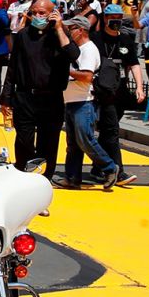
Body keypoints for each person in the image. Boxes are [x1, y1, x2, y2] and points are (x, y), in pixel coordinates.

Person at [1, 0, 76, 179]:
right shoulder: (23, 35)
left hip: (51, 99)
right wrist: (6, 97)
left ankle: (43, 182)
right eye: (34, 12)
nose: (37, 16)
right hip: (25, 97)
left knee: (48, 144)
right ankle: (24, 175)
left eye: (42, 13)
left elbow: (73, 54)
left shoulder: (60, 36)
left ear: (53, 13)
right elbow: (13, 67)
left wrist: (59, 28)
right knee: (24, 141)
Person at [60, 17, 118, 191]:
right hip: (72, 100)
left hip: (83, 101)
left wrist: (65, 70)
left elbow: (87, 76)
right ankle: (72, 177)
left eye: (72, 29)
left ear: (82, 30)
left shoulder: (89, 50)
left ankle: (109, 167)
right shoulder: (79, 49)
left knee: (85, 139)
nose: (70, 32)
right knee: (73, 144)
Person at [91, 5, 145, 185]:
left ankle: (98, 167)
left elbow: (134, 64)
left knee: (107, 131)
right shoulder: (96, 39)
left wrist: (139, 86)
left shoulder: (126, 40)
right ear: (105, 19)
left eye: (119, 18)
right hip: (102, 90)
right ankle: (117, 170)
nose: (115, 22)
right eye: (111, 18)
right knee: (112, 130)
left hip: (120, 89)